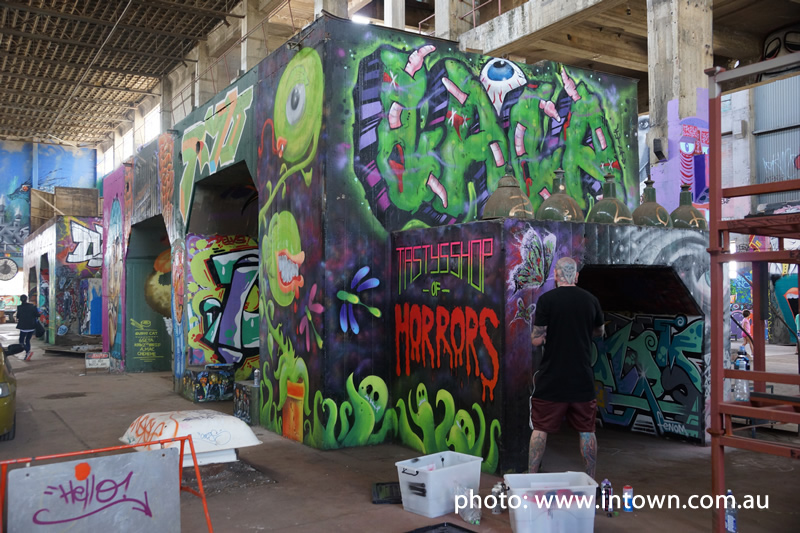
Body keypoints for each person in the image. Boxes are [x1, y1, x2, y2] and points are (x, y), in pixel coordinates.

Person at [529, 256, 604, 479]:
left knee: (540, 428)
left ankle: (530, 477)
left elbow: (536, 339)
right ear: (576, 276)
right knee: (587, 430)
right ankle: (591, 480)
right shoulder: (591, 300)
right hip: (582, 377)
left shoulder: (546, 300)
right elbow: (599, 331)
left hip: (552, 377)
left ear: (556, 276)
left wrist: (545, 336)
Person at [16, 295, 40, 361]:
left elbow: (18, 316)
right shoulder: (32, 306)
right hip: (31, 326)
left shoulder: (19, 307)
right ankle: (27, 354)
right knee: (27, 340)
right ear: (27, 299)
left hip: (23, 327)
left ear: (20, 300)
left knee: (21, 341)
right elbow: (37, 315)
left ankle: (27, 351)